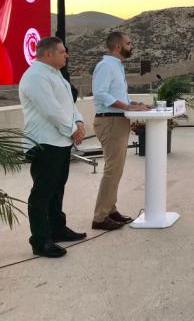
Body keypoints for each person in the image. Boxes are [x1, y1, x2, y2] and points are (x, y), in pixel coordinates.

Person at [19, 37, 86, 257]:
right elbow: (51, 110)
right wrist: (72, 129)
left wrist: (79, 122)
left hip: (60, 141)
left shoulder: (56, 75)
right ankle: (40, 240)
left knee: (57, 189)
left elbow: (69, 104)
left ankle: (57, 229)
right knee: (42, 192)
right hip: (45, 142)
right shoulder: (35, 77)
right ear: (48, 54)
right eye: (62, 52)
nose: (66, 55)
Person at [92, 32, 150, 230]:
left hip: (118, 120)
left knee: (117, 170)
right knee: (112, 170)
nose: (131, 46)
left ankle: (110, 210)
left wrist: (133, 103)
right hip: (110, 122)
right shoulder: (106, 66)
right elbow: (100, 94)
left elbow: (115, 96)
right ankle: (100, 217)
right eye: (129, 43)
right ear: (118, 46)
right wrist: (127, 108)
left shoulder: (116, 67)